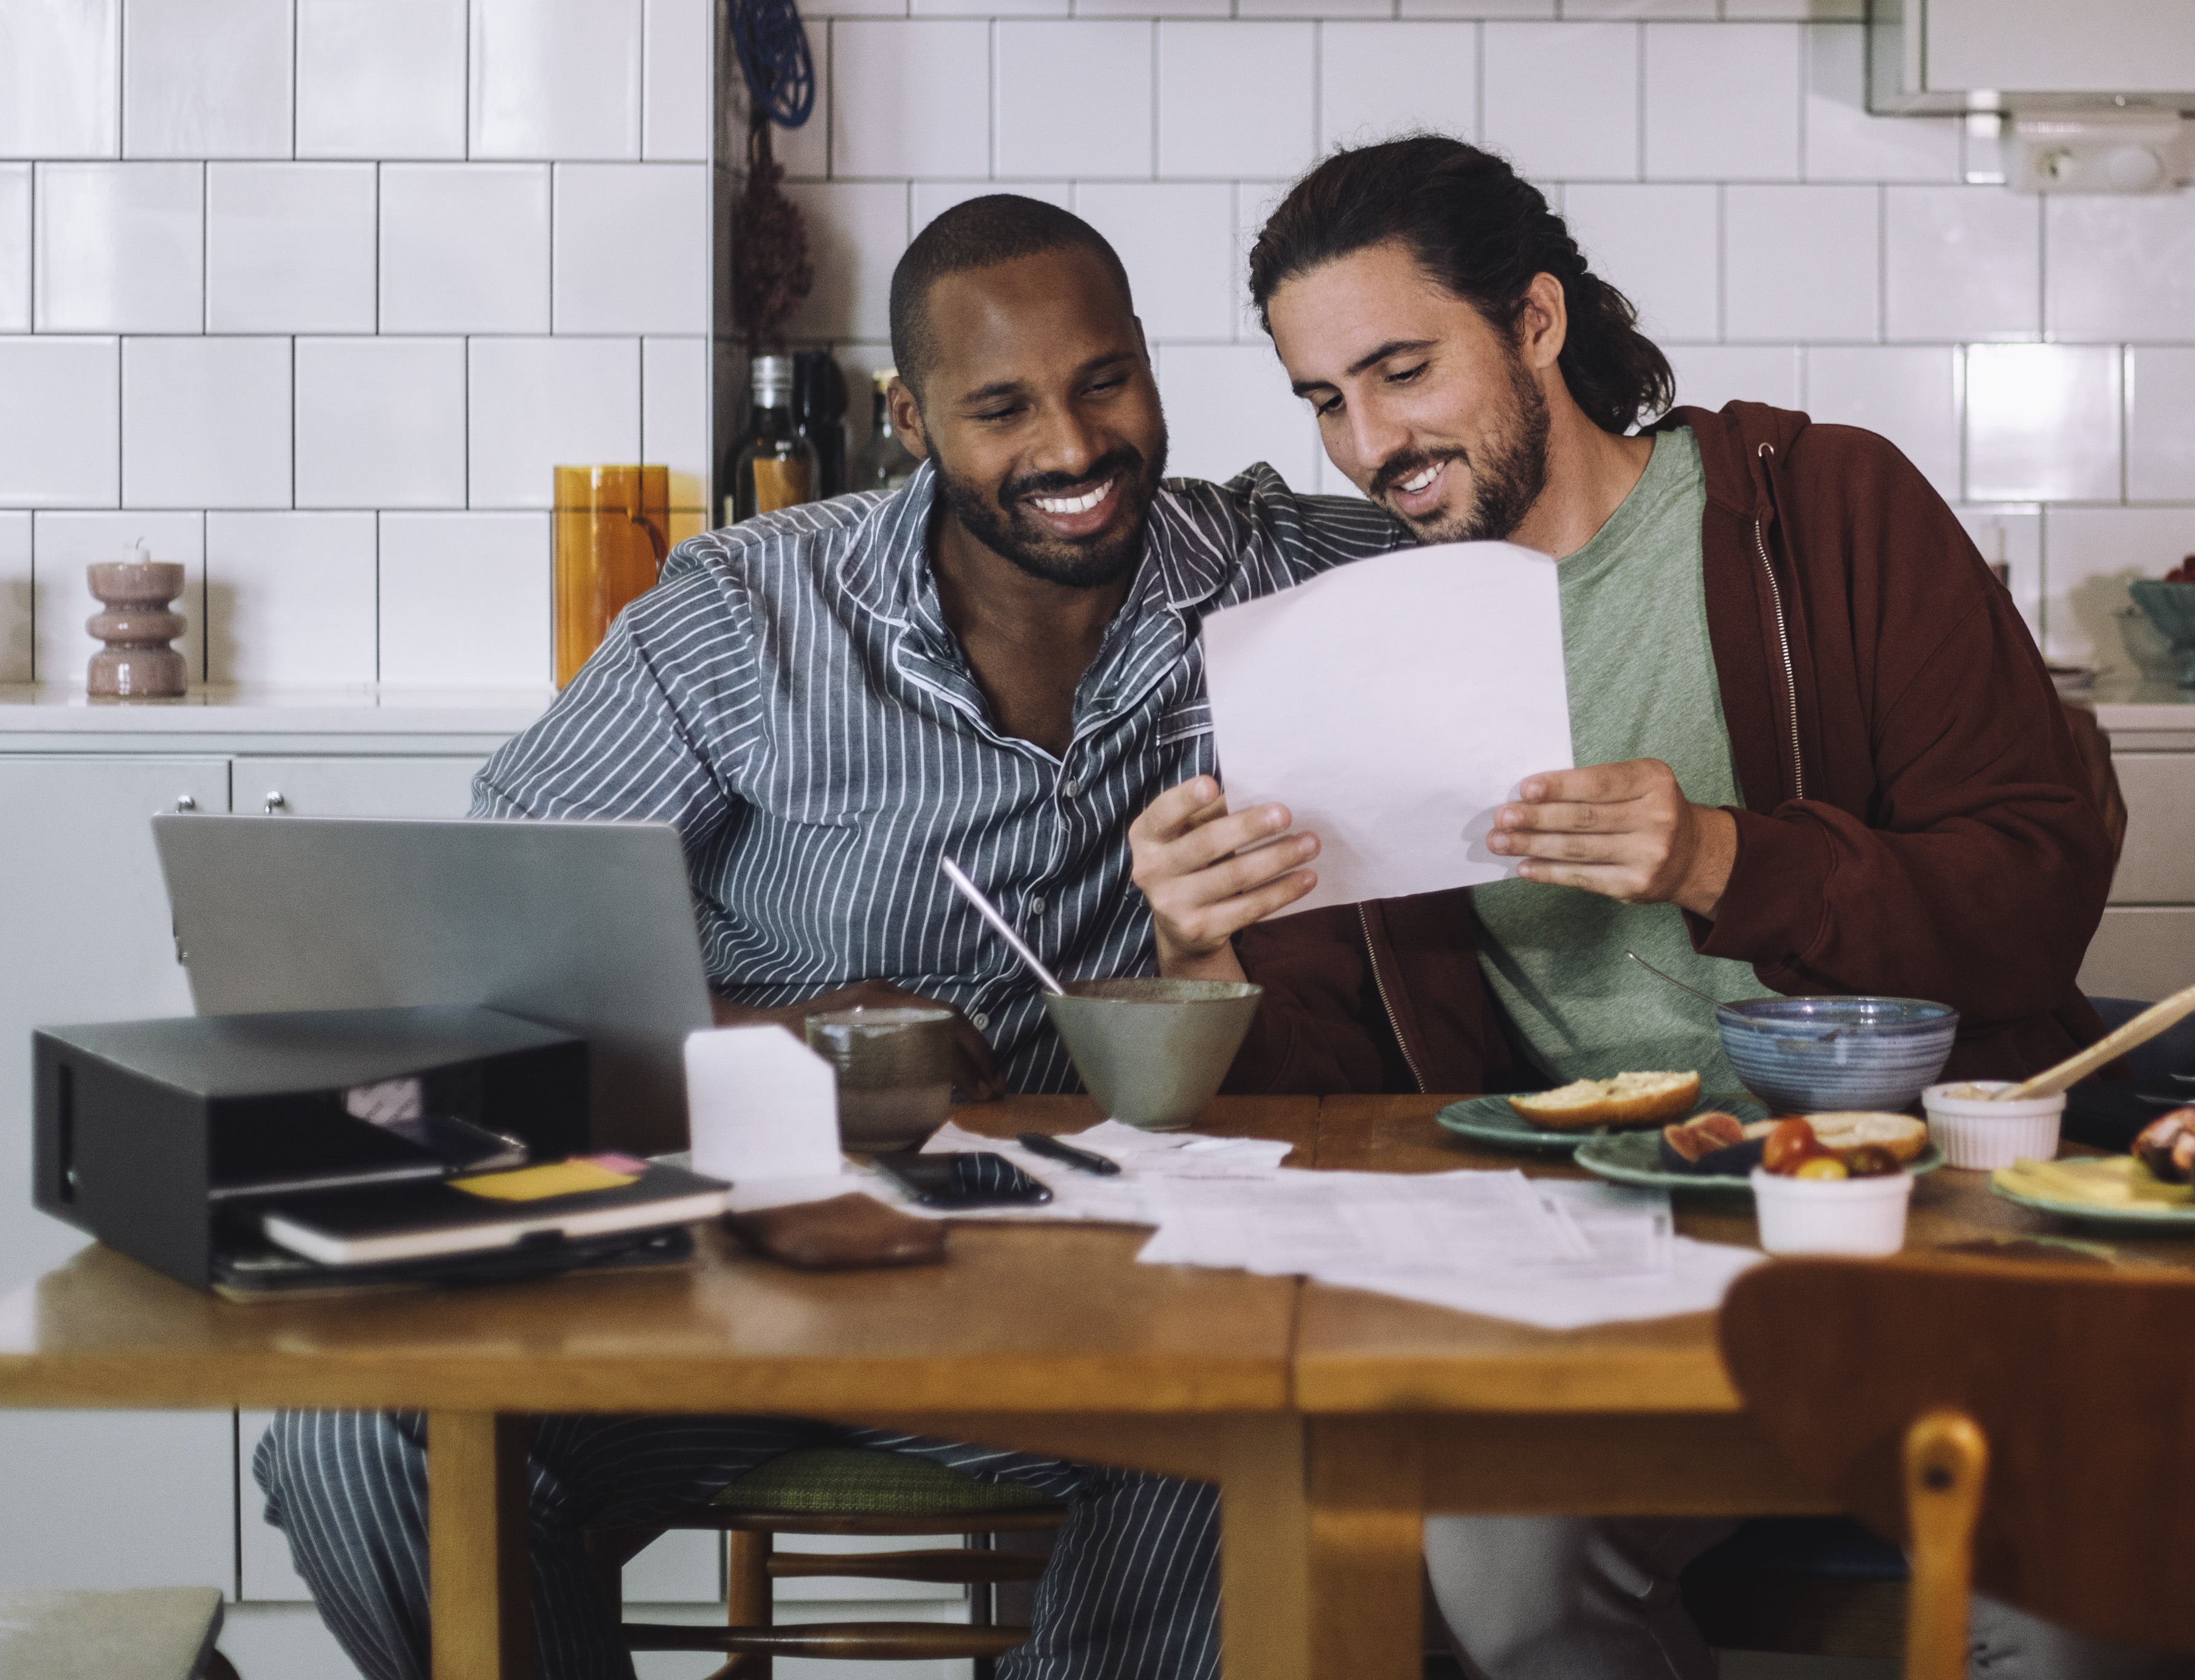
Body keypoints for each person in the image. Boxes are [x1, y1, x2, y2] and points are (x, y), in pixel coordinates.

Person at [255, 195, 1401, 1680]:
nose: (1070, 448)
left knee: (1252, 1451)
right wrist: (764, 1043)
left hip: (1093, 1285)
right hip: (728, 1263)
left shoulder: (1283, 570)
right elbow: (483, 943)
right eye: (1002, 407)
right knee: (354, 1432)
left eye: (1103, 380)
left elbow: (1544, 528)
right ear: (912, 422)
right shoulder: (744, 613)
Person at [1126, 136, 2127, 1679]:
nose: (1368, 443)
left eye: (1403, 370)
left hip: (1915, 1231)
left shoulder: (1826, 509)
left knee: (2084, 1606)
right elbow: (1312, 1103)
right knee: (1503, 1578)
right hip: (1577, 1272)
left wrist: (1726, 858)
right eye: (1326, 399)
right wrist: (1200, 950)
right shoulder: (1347, 648)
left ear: (1536, 323)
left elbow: (2033, 891)